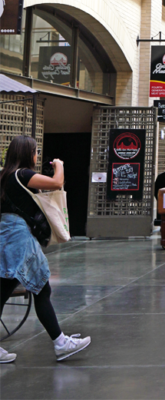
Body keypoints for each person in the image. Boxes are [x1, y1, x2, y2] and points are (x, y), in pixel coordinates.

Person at [0, 135, 91, 363]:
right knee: (41, 288)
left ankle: (60, 341)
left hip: (5, 236)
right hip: (20, 239)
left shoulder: (4, 176)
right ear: (27, 154)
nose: (37, 156)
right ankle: (60, 343)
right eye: (35, 151)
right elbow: (57, 183)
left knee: (2, 293)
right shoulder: (23, 174)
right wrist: (59, 166)